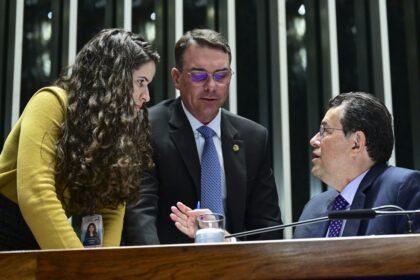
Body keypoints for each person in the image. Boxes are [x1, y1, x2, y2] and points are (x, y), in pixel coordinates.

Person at [0, 28, 159, 250]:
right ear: (113, 78)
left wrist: (102, 268)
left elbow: (111, 206)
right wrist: (81, 268)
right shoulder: (50, 102)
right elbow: (36, 194)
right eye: (140, 82)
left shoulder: (110, 127)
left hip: (44, 235)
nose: (146, 95)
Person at [122, 29, 283, 245]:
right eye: (198, 75)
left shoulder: (253, 138)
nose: (211, 86)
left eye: (221, 75)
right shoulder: (146, 127)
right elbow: (140, 215)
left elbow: (268, 228)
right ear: (176, 78)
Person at [293, 92, 420, 238]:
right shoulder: (313, 208)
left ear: (356, 143)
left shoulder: (403, 188)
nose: (313, 140)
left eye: (325, 131)